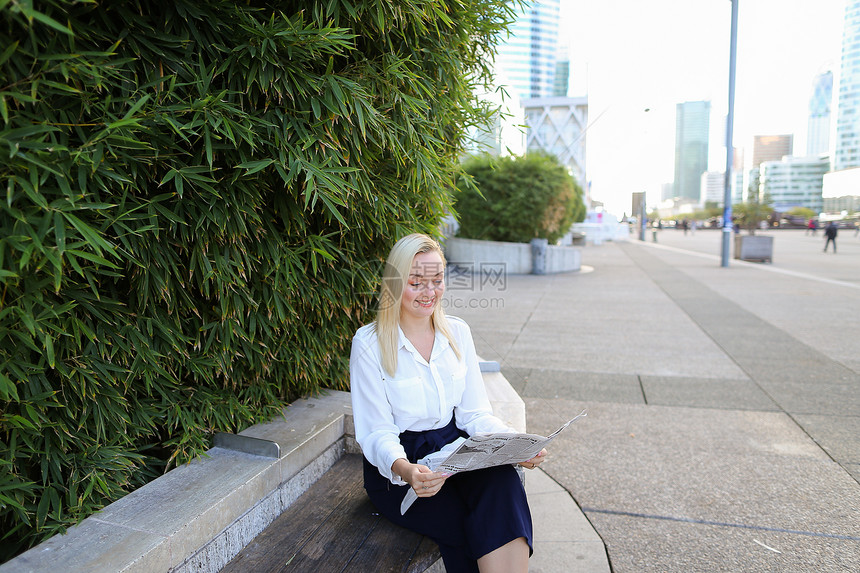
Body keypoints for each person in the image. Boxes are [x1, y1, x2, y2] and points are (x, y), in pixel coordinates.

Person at [350, 233, 545, 573]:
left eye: (437, 280)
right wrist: (407, 471)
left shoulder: (457, 332)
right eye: (416, 282)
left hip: (454, 452)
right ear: (395, 283)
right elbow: (376, 431)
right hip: (400, 468)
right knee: (471, 522)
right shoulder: (369, 343)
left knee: (504, 484)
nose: (429, 292)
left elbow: (474, 414)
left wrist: (517, 445)